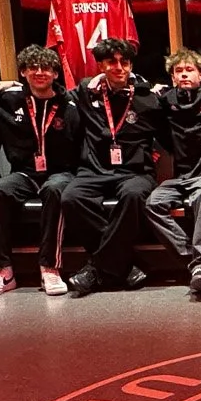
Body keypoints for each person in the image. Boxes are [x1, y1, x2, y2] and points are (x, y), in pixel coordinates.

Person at [60, 38, 164, 295]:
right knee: (71, 197)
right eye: (111, 62)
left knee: (133, 196)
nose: (119, 67)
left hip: (135, 172)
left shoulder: (148, 97)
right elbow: (54, 93)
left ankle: (96, 267)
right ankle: (123, 266)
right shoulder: (87, 91)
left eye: (124, 62)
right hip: (95, 170)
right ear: (101, 65)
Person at [0, 44, 79, 298]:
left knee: (55, 190)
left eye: (46, 68)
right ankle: (2, 270)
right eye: (33, 68)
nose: (40, 72)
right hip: (24, 172)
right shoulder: (8, 100)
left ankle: (50, 268)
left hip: (60, 172)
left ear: (56, 73)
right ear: (23, 72)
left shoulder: (70, 104)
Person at [140, 48, 201, 299]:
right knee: (152, 203)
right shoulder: (166, 100)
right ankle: (195, 261)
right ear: (172, 77)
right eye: (178, 71)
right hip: (181, 176)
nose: (184, 75)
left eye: (189, 70)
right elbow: (137, 93)